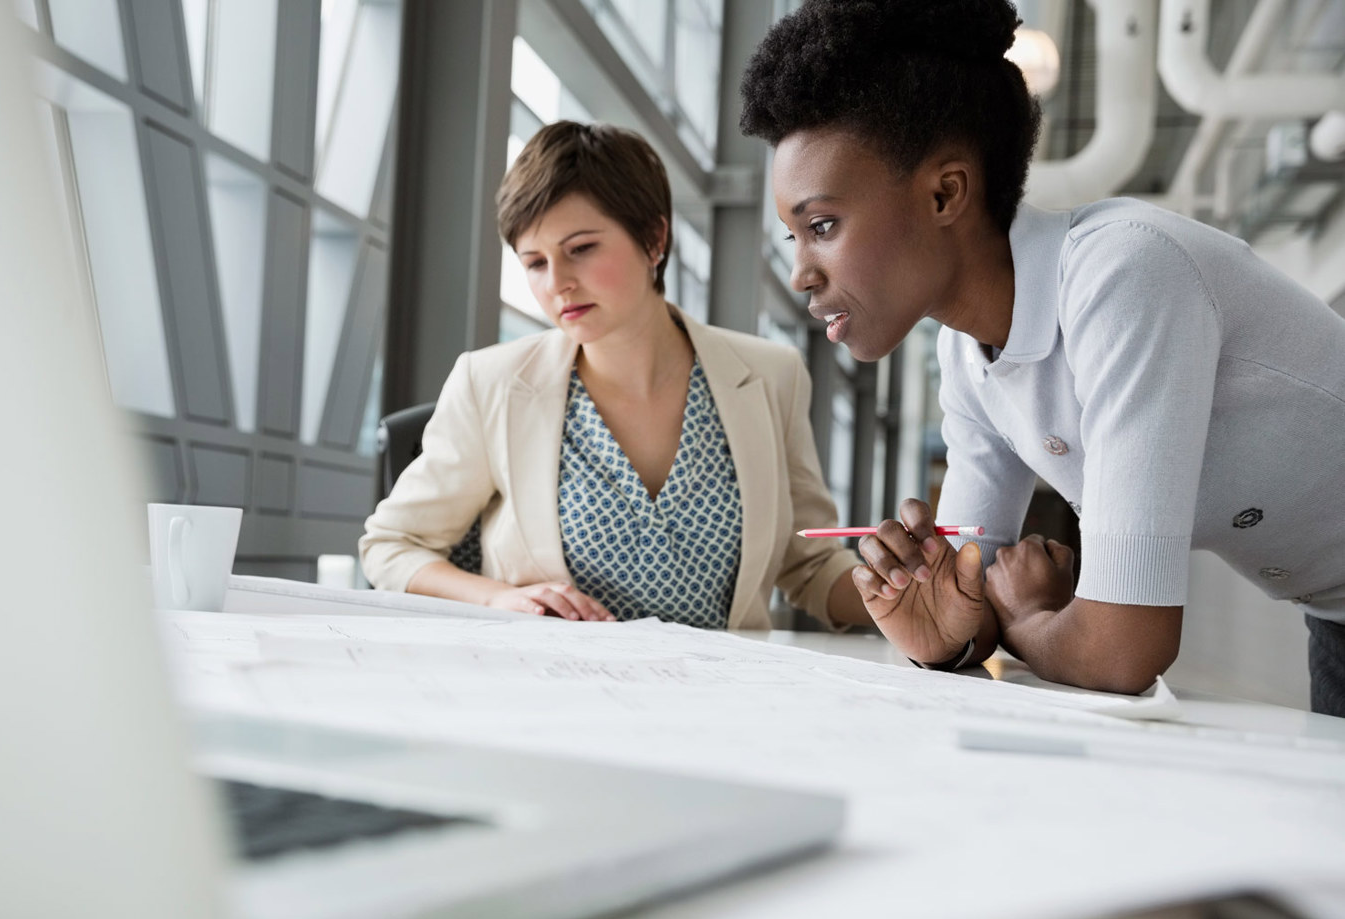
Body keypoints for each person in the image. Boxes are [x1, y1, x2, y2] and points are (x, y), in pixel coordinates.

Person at [738, 0, 1345, 714]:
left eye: (822, 226)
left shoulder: (1123, 273)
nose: (800, 274)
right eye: (794, 237)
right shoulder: (966, 359)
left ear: (945, 192)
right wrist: (941, 634)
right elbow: (971, 592)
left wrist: (1025, 622)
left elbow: (1124, 649)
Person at [361, 121, 872, 630]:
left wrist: (905, 593)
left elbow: (810, 563)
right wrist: (496, 599)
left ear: (654, 239)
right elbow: (390, 546)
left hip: (717, 699)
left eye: (580, 249)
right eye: (535, 263)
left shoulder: (770, 376)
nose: (557, 283)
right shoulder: (491, 383)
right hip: (548, 692)